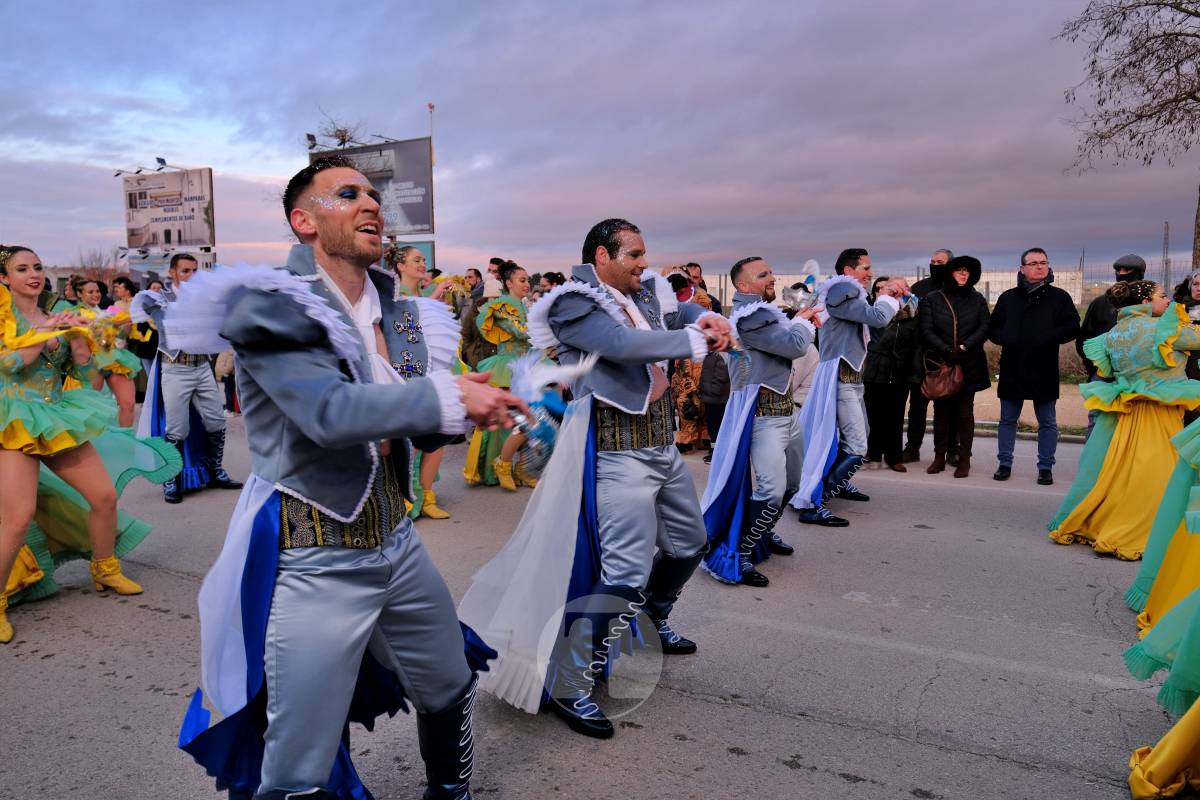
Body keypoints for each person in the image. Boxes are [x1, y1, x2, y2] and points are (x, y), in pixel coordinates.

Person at [172, 156, 521, 799]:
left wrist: (476, 402)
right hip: (315, 556)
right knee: (298, 759)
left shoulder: (407, 315)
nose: (371, 205)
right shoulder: (271, 306)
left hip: (397, 539)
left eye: (373, 195)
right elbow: (326, 415)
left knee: (448, 680)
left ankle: (450, 793)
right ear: (303, 221)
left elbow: (418, 431)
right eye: (347, 194)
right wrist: (444, 398)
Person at [458, 217, 733, 740]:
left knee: (688, 544)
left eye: (644, 254)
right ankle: (569, 679)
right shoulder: (570, 302)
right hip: (617, 452)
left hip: (660, 445)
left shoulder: (644, 294)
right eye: (633, 254)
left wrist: (713, 320)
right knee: (626, 570)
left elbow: (678, 311)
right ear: (602, 257)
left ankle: (649, 622)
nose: (643, 263)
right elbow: (620, 344)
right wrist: (696, 340)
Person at [0, 245, 179, 643]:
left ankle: (105, 569)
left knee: (103, 497)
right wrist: (46, 333)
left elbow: (77, 370)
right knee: (18, 516)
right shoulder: (4, 318)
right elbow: (11, 364)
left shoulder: (54, 313)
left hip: (55, 414)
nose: (33, 274)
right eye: (22, 268)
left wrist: (81, 345)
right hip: (12, 418)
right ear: (5, 278)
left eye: (37, 267)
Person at [1049, 280, 1200, 560]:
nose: (1167, 301)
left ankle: (1108, 519)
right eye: (1162, 296)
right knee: (1157, 474)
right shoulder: (1165, 329)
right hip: (1159, 412)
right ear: (1145, 302)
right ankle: (1148, 531)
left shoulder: (1114, 333)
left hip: (1127, 414)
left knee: (1123, 472)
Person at [701, 256, 817, 587]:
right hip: (765, 416)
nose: (772, 278)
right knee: (771, 489)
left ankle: (762, 533)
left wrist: (799, 318)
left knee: (792, 483)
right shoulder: (751, 316)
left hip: (785, 411)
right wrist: (804, 321)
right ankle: (738, 552)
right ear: (743, 285)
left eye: (770, 272)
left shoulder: (763, 313)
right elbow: (795, 346)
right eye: (763, 275)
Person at [792, 248, 904, 526]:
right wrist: (887, 296)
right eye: (865, 268)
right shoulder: (840, 289)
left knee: (854, 435)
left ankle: (833, 485)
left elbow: (876, 327)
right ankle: (814, 502)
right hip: (841, 376)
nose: (870, 273)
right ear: (848, 270)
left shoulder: (845, 291)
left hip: (850, 376)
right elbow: (878, 318)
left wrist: (893, 298)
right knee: (857, 443)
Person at [132, 253, 242, 503]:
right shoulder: (159, 300)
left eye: (194, 270)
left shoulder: (205, 300)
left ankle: (215, 471)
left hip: (202, 367)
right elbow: (152, 319)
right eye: (185, 271)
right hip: (175, 368)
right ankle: (172, 478)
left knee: (216, 422)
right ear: (172, 273)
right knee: (177, 428)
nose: (191, 275)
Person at [988, 249, 1080, 484]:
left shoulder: (1060, 297)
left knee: (1047, 421)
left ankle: (1045, 467)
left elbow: (1072, 326)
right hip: (1013, 365)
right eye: (1034, 263)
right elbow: (994, 327)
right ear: (1022, 269)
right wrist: (1007, 337)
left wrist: (1049, 336)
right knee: (1008, 419)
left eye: (1043, 262)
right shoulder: (1008, 298)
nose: (1039, 267)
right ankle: (1004, 463)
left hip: (1044, 366)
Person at [388, 243, 456, 520]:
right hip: (407, 371)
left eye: (423, 260)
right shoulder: (393, 295)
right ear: (401, 266)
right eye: (416, 260)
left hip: (436, 371)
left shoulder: (429, 296)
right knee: (411, 441)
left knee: (437, 436)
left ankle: (428, 497)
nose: (421, 264)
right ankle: (406, 498)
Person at [464, 262, 537, 490]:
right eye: (522, 280)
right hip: (508, 368)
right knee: (508, 423)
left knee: (531, 419)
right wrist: (545, 329)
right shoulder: (503, 306)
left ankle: (522, 469)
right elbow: (521, 332)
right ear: (508, 283)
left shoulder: (524, 305)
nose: (527, 284)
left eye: (528, 280)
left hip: (526, 366)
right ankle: (497, 468)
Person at [918, 255, 991, 478]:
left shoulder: (977, 299)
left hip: (970, 364)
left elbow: (985, 326)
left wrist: (964, 347)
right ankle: (939, 456)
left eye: (967, 271)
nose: (962, 274)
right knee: (941, 412)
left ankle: (964, 459)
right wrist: (946, 350)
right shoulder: (933, 298)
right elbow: (926, 329)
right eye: (958, 270)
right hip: (942, 363)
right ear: (950, 272)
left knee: (965, 414)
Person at [1078, 254, 1148, 436]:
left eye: (1127, 270)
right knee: (1098, 423)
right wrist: (1096, 367)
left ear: (1139, 273)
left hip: (1141, 378)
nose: (1121, 274)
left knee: (1135, 427)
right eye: (1118, 270)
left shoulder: (1150, 304)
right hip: (1105, 376)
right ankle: (1094, 463)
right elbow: (1084, 339)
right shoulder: (1101, 303)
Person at [863, 275, 920, 472]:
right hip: (876, 368)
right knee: (874, 415)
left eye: (901, 287)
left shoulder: (913, 314)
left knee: (895, 416)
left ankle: (894, 456)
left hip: (900, 371)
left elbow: (915, 343)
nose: (896, 290)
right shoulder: (877, 312)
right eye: (891, 287)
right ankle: (874, 453)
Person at [903, 248, 953, 463]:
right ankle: (912, 448)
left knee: (947, 408)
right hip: (919, 356)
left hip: (946, 357)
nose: (935, 264)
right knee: (917, 407)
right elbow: (910, 316)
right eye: (932, 261)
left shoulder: (955, 288)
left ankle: (950, 450)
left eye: (940, 261)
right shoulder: (919, 288)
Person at [74, 278, 141, 428]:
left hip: (114, 360)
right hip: (90, 363)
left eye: (97, 291)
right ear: (80, 294)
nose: (95, 294)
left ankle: (127, 443)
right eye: (90, 292)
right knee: (91, 407)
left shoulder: (110, 312)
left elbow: (121, 338)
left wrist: (126, 327)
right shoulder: (75, 314)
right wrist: (113, 323)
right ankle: (91, 445)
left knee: (128, 404)